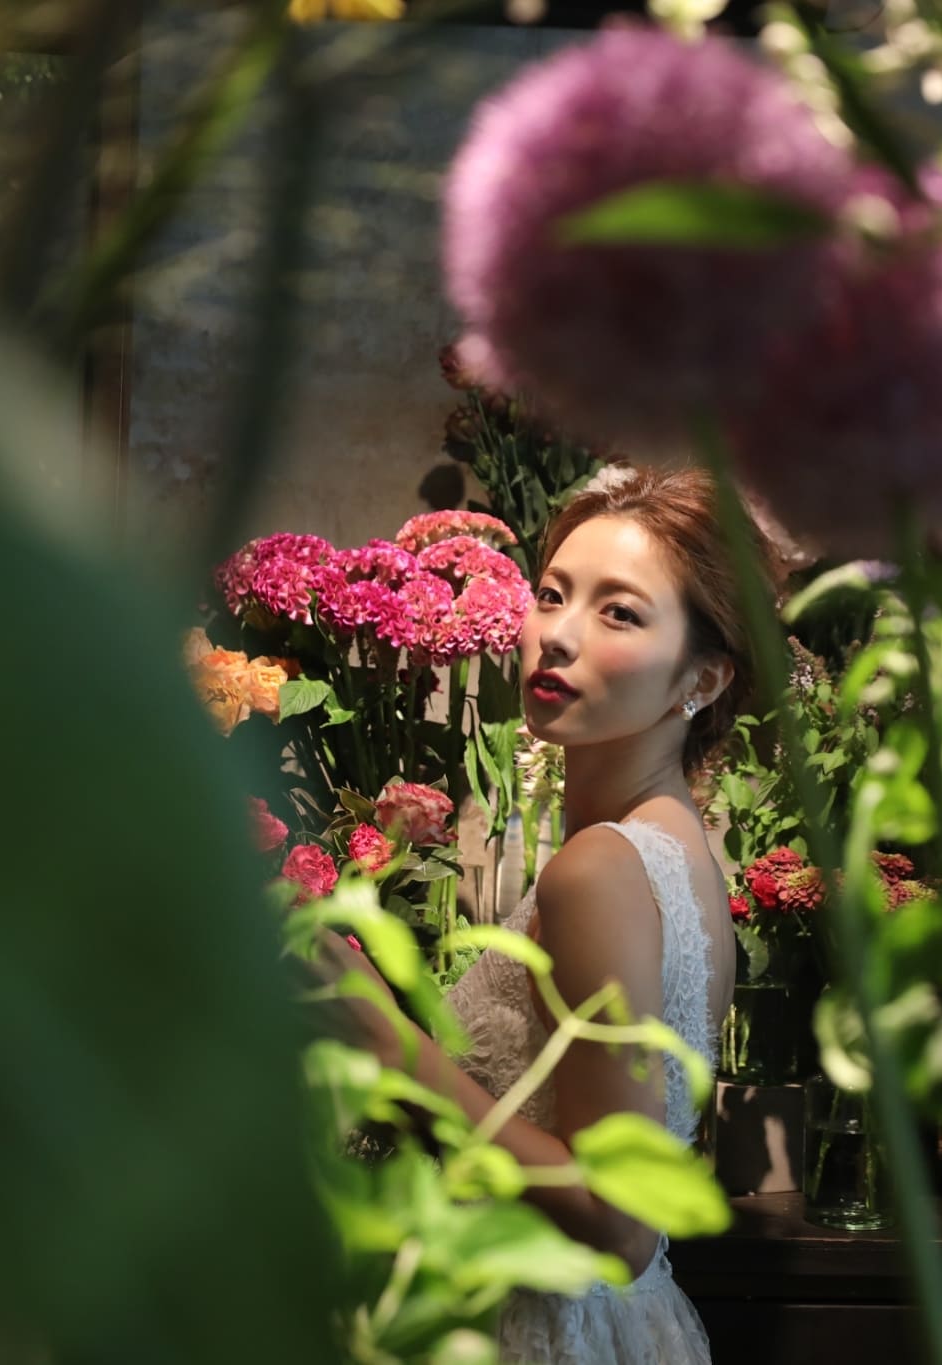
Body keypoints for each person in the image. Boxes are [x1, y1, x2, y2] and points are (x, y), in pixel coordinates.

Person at [326, 465, 773, 1363]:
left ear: (703, 677)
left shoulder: (601, 870)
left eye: (620, 613)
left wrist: (395, 1051)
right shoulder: (676, 850)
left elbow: (618, 1221)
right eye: (553, 594)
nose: (557, 634)